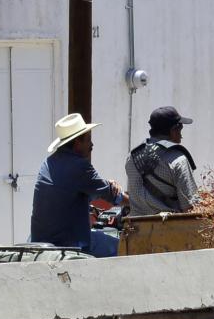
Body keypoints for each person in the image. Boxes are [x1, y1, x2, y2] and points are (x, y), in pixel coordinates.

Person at [30, 113, 128, 258]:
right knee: (125, 247)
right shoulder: (79, 166)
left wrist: (106, 184)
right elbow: (111, 194)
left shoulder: (48, 163)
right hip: (68, 243)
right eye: (88, 140)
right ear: (77, 143)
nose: (92, 145)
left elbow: (75, 189)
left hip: (41, 239)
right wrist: (134, 202)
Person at [125, 106, 199, 216]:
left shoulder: (131, 157)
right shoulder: (178, 160)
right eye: (180, 129)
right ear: (173, 130)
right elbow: (190, 207)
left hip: (135, 228)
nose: (181, 135)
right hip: (168, 228)